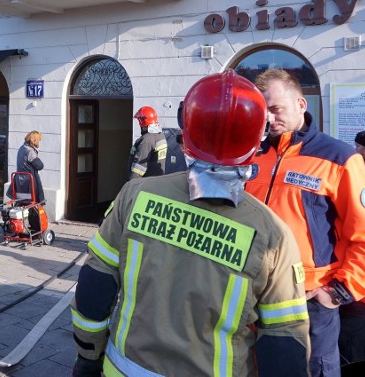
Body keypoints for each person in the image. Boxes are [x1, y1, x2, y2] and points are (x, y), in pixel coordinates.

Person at [71, 70, 309, 377]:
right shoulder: (273, 233)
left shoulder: (134, 196)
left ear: (188, 132)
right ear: (257, 139)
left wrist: (88, 358)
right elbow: (284, 344)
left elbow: (95, 286)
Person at [245, 69, 365, 377]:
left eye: (275, 109)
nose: (268, 118)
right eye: (262, 111)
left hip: (308, 303)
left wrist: (338, 292)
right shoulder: (252, 158)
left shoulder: (338, 157)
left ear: (300, 104)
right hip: (251, 301)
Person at [128, 106, 167, 179]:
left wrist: (131, 186)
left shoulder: (146, 140)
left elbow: (138, 168)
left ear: (143, 121)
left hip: (145, 185)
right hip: (157, 183)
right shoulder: (161, 136)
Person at [16, 130, 45, 204]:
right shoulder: (30, 151)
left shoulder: (22, 148)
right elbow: (40, 166)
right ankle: (33, 215)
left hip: (19, 181)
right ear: (34, 140)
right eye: (38, 140)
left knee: (23, 202)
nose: (39, 142)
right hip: (29, 182)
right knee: (33, 202)